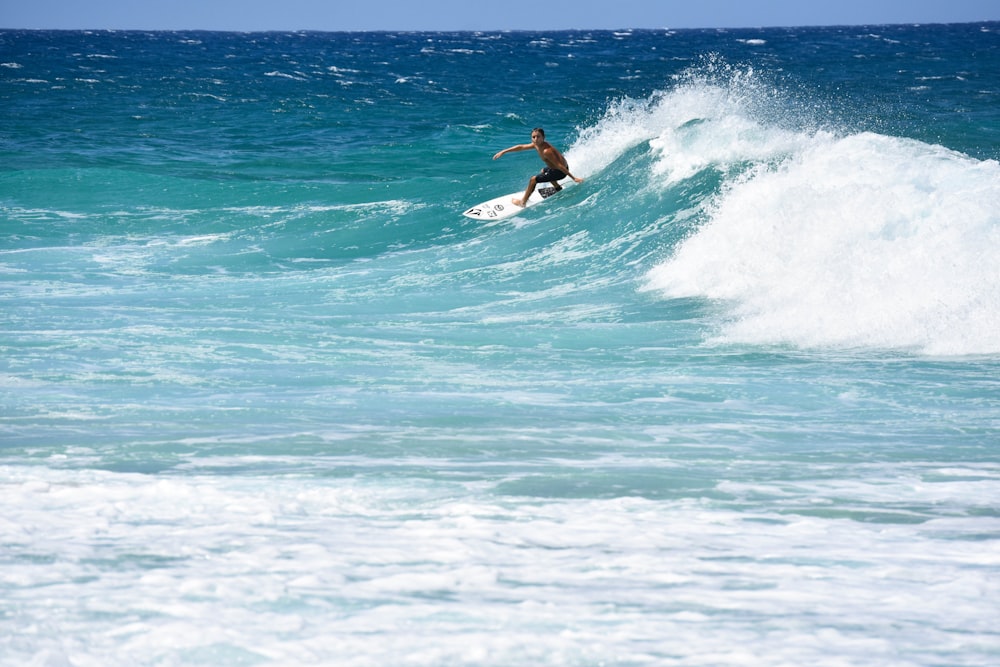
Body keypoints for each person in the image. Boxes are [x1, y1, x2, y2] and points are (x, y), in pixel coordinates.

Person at [493, 128, 584, 207]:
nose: (536, 139)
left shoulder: (546, 151)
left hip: (561, 172)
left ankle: (522, 202)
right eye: (533, 137)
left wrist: (574, 178)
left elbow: (559, 166)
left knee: (533, 180)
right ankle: (557, 188)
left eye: (538, 137)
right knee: (544, 170)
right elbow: (521, 147)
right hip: (556, 169)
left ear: (543, 137)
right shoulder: (537, 145)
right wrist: (504, 151)